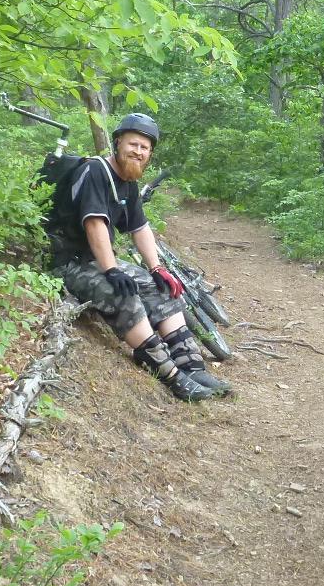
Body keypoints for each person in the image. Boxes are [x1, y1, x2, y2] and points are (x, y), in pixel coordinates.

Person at [50, 113, 230, 401]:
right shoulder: (96, 171)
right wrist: (111, 270)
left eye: (145, 148)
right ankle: (170, 374)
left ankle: (192, 367)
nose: (138, 151)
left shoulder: (129, 181)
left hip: (95, 259)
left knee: (158, 287)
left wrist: (157, 267)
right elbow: (94, 223)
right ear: (118, 143)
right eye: (133, 144)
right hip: (68, 263)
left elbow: (140, 227)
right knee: (123, 295)